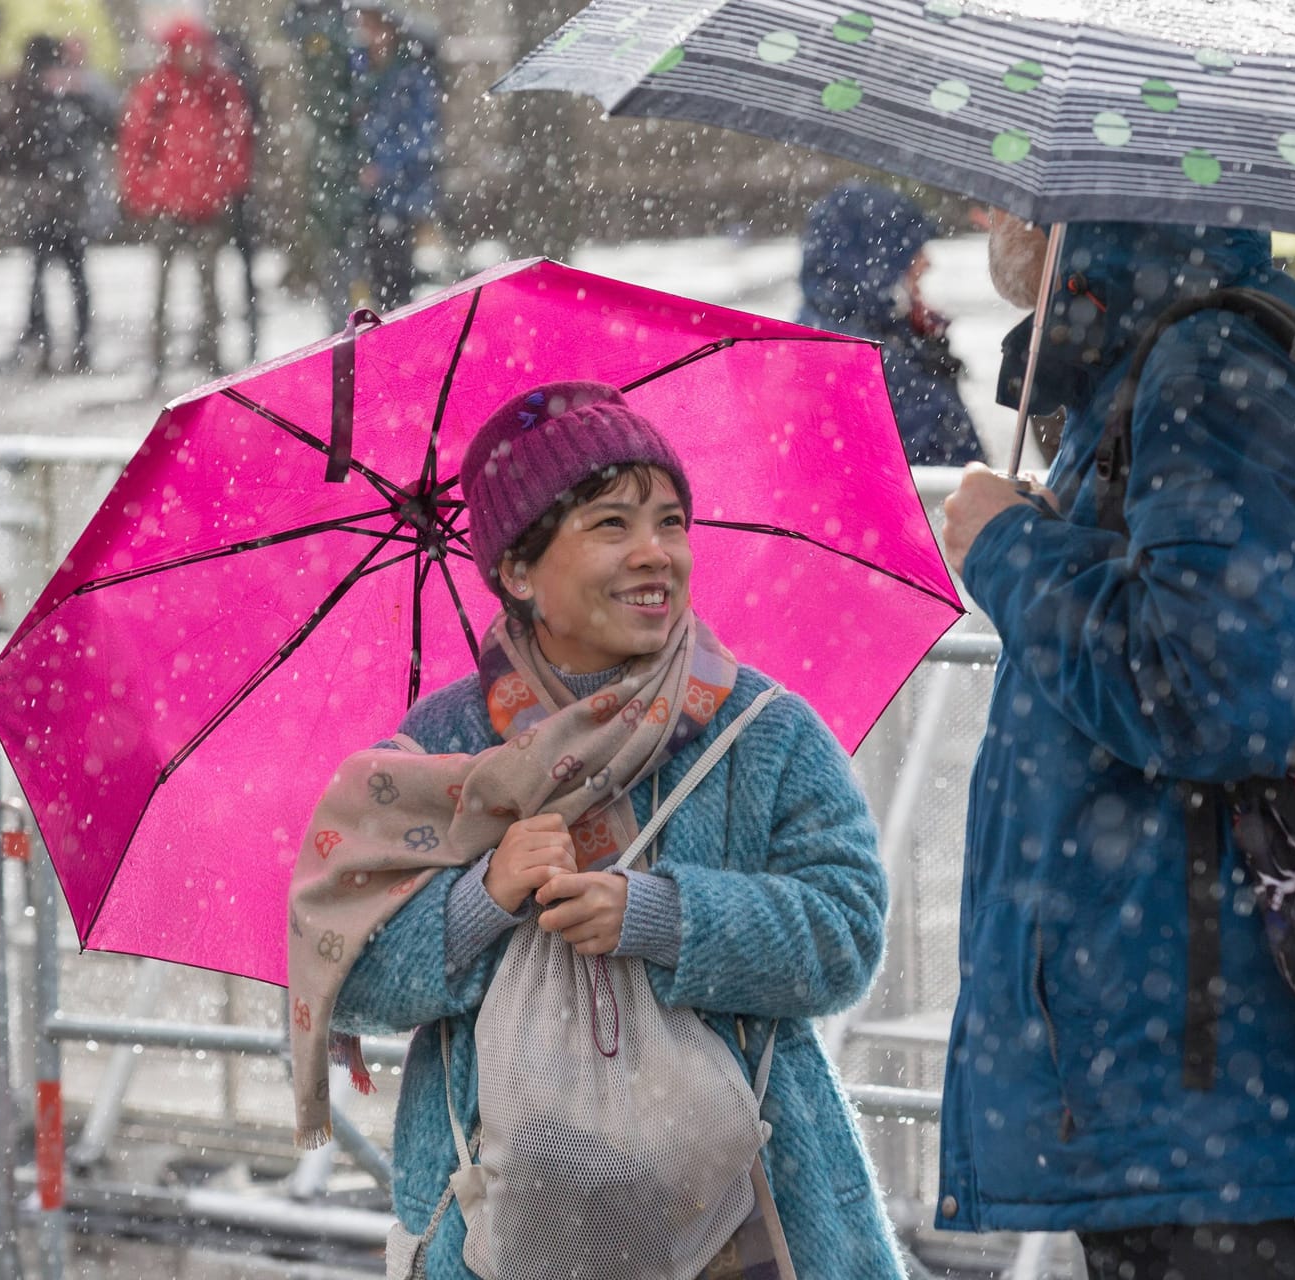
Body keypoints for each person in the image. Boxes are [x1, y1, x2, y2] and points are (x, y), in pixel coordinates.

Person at [935, 216, 1295, 1280]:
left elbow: (1212, 696)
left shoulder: (1205, 365)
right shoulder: (1153, 355)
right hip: (1186, 1066)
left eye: (999, 191)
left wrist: (1008, 547)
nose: (985, 213)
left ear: (1082, 205)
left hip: (1212, 1073)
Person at [291, 382, 906, 1278]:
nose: (655, 554)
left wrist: (661, 917)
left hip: (755, 1213)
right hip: (500, 1223)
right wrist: (482, 898)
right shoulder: (440, 751)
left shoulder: (764, 730)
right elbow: (350, 979)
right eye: (611, 526)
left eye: (671, 522)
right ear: (518, 571)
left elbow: (846, 934)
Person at [798, 183, 986, 467]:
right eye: (912, 249)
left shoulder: (828, 337)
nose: (927, 262)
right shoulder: (866, 367)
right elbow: (947, 478)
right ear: (874, 259)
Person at [118, 17, 253, 385]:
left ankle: (213, 352)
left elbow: (236, 139)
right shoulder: (156, 91)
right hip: (168, 204)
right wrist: (143, 192)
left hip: (207, 204)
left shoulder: (219, 89)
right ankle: (158, 359)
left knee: (210, 285)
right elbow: (136, 143)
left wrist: (226, 183)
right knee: (162, 285)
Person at [0, 34, 115, 374]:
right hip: (61, 197)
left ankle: (50, 341)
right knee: (71, 273)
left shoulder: (34, 93)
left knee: (49, 274)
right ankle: (73, 342)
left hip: (47, 198)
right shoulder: (57, 93)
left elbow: (15, 147)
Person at [352, 2, 442, 311]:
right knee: (374, 277)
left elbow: (422, 133)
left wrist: (383, 165)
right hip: (368, 196)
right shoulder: (359, 68)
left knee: (398, 280)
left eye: (375, 27)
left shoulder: (411, 73)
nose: (370, 35)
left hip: (401, 193)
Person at [280, 0, 364, 326]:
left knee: (351, 249)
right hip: (326, 159)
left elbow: (346, 95)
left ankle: (350, 323)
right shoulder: (317, 25)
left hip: (345, 157)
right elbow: (289, 25)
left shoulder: (344, 30)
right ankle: (341, 324)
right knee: (332, 246)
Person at [213, 26, 264, 363]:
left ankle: (249, 329)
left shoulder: (228, 85)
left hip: (227, 184)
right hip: (228, 183)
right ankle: (249, 326)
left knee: (234, 260)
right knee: (241, 260)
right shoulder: (234, 82)